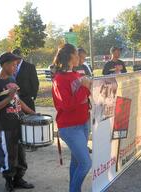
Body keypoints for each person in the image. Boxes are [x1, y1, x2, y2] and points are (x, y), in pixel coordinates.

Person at [0, 52, 35, 192]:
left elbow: (17, 100)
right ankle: (9, 181)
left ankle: (19, 179)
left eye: (16, 64)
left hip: (18, 122)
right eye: (13, 65)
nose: (15, 67)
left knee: (21, 154)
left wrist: (31, 112)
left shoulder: (12, 78)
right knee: (10, 155)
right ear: (5, 65)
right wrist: (8, 98)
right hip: (6, 125)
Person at [52, 44, 92, 192]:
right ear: (70, 56)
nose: (79, 57)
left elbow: (85, 97)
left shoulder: (75, 74)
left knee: (77, 162)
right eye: (77, 54)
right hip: (69, 127)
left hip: (83, 123)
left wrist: (88, 86)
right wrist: (84, 87)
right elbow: (67, 105)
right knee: (86, 163)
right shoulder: (59, 79)